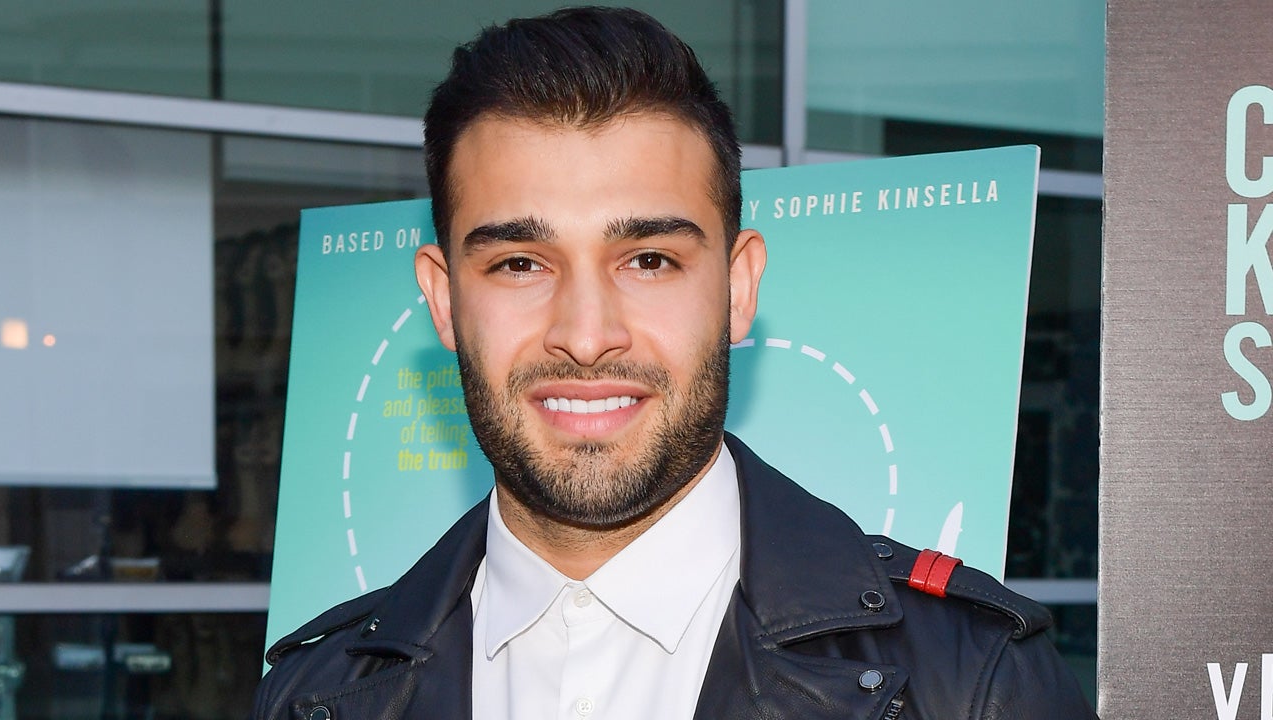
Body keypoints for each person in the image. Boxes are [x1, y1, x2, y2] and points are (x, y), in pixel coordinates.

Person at [252, 7, 1098, 719]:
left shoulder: (972, 682)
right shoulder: (311, 694)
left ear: (738, 287)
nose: (586, 335)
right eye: (520, 264)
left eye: (649, 260)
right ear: (443, 301)